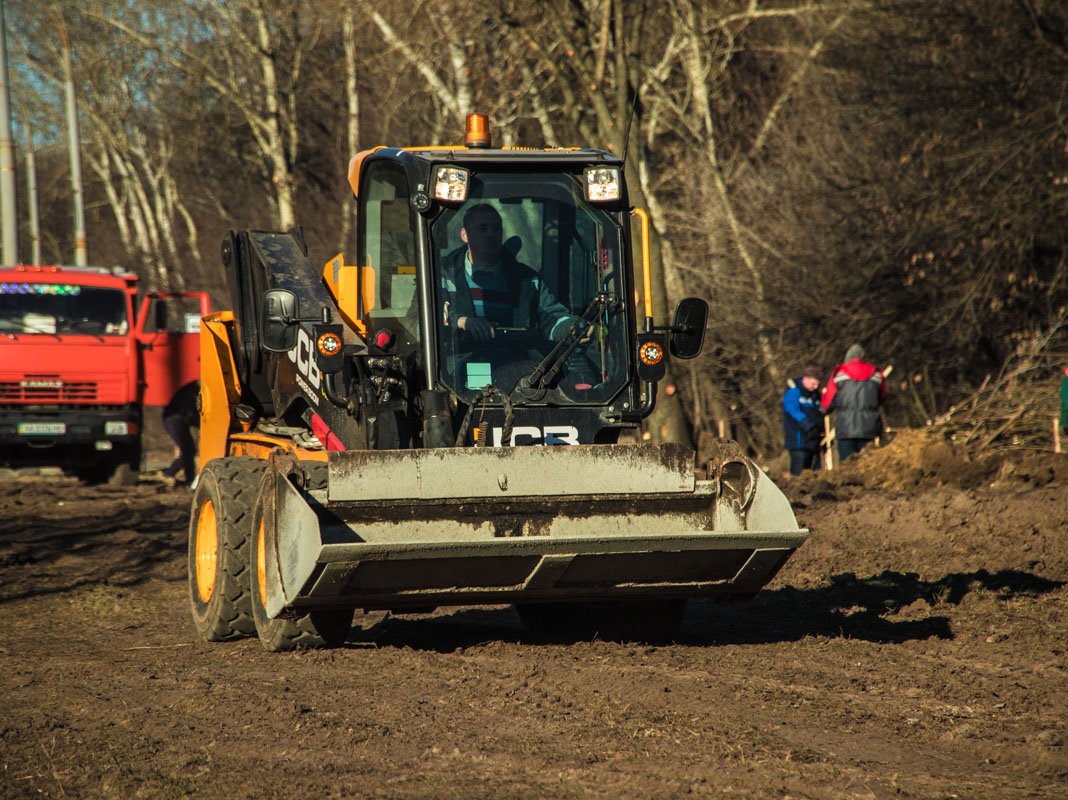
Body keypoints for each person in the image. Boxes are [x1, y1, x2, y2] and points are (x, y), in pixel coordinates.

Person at [440, 203, 576, 344]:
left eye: (496, 228)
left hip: (516, 361)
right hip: (457, 362)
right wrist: (461, 321)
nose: (491, 234)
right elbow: (418, 321)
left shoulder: (527, 281)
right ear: (464, 235)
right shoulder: (442, 276)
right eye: (483, 228)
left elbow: (551, 319)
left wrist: (571, 328)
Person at [821, 343, 886, 461]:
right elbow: (881, 398)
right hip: (869, 428)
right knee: (866, 466)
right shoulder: (877, 375)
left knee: (847, 469)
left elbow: (827, 403)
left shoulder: (838, 375)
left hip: (845, 429)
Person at [782, 366, 824, 475]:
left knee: (811, 474)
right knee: (798, 475)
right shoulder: (793, 393)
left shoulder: (816, 396)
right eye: (814, 384)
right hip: (798, 442)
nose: (816, 387)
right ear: (806, 379)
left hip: (813, 443)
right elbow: (793, 410)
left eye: (817, 384)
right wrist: (808, 426)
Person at [161, 381, 199, 487]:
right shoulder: (190, 390)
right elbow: (191, 411)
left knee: (190, 450)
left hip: (179, 420)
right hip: (174, 420)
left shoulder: (190, 388)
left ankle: (189, 479)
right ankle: (169, 473)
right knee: (187, 450)